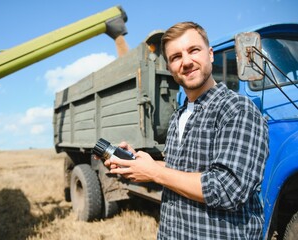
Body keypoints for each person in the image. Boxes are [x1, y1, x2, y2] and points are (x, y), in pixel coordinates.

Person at [101, 21, 269, 239]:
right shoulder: (178, 116)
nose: (186, 62)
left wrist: (155, 172)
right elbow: (180, 169)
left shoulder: (237, 109)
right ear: (170, 68)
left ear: (210, 54)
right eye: (176, 57)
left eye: (193, 50)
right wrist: (142, 163)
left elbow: (227, 189)